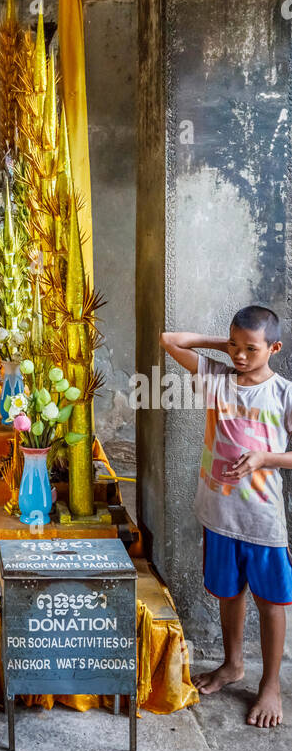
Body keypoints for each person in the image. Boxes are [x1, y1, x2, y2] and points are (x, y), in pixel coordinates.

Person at [160, 307, 292, 727]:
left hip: (262, 520)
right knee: (229, 593)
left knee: (271, 603)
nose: (238, 355)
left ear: (275, 348)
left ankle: (270, 684)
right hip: (219, 515)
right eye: (234, 344)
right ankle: (233, 664)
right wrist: (230, 348)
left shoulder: (284, 394)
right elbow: (169, 340)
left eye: (250, 348)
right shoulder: (217, 379)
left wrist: (264, 458)